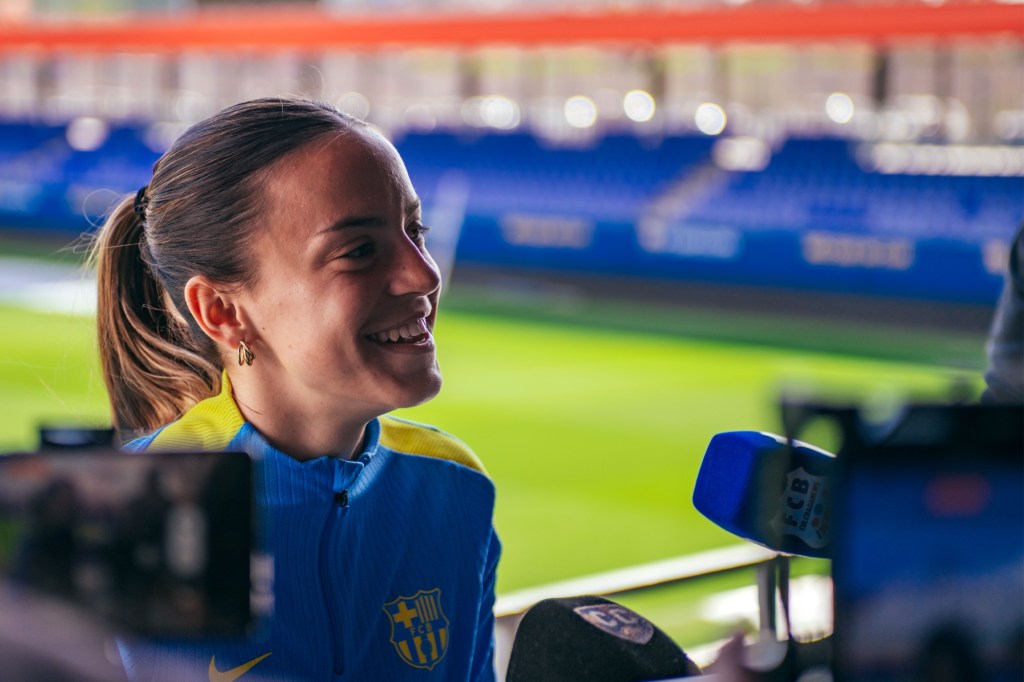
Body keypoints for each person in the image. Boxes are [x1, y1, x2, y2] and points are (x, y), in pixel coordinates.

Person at [90, 97, 501, 681]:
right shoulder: (121, 513)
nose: (424, 274)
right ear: (222, 311)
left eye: (415, 230)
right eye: (359, 251)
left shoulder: (455, 483)